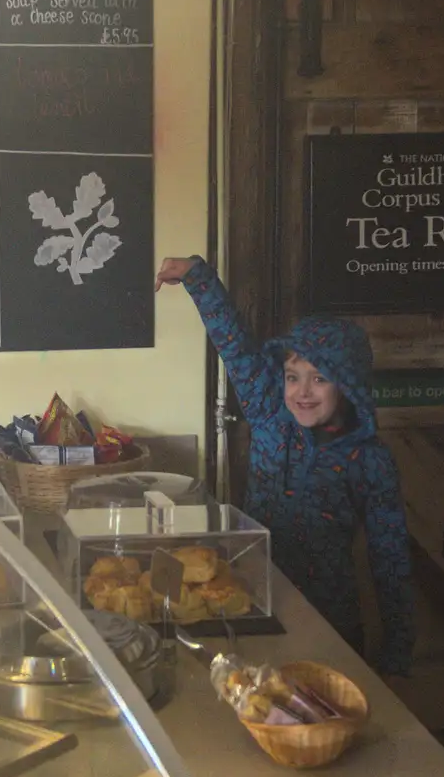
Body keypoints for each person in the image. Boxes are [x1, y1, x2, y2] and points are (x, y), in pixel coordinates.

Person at [156, 256, 414, 675]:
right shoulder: (268, 415)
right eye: (293, 377)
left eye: (320, 378)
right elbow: (236, 347)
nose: (303, 392)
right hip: (251, 602)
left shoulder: (371, 460)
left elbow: (391, 559)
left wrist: (398, 653)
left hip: (331, 623)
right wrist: (197, 278)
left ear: (347, 384)